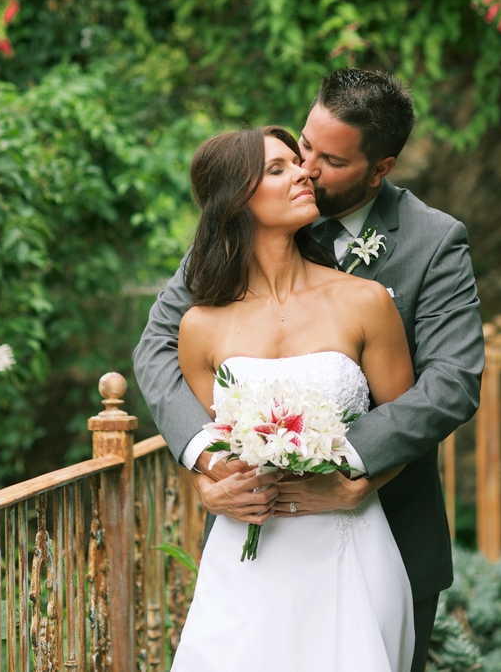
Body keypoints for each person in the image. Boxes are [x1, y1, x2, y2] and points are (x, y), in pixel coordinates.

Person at [134, 68, 484, 672]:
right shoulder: (253, 213)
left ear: (381, 168)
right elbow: (157, 348)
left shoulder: (432, 242)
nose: (308, 169)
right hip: (262, 541)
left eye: (332, 160)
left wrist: (347, 466)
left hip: (386, 528)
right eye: (303, 146)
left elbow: (451, 382)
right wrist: (208, 464)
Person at [171, 125, 416, 671]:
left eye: (297, 163)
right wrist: (206, 488)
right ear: (237, 201)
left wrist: (356, 487)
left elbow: (407, 426)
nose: (304, 173)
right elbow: (210, 442)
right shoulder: (200, 326)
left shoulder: (365, 302)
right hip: (246, 559)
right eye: (278, 169)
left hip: (350, 547)